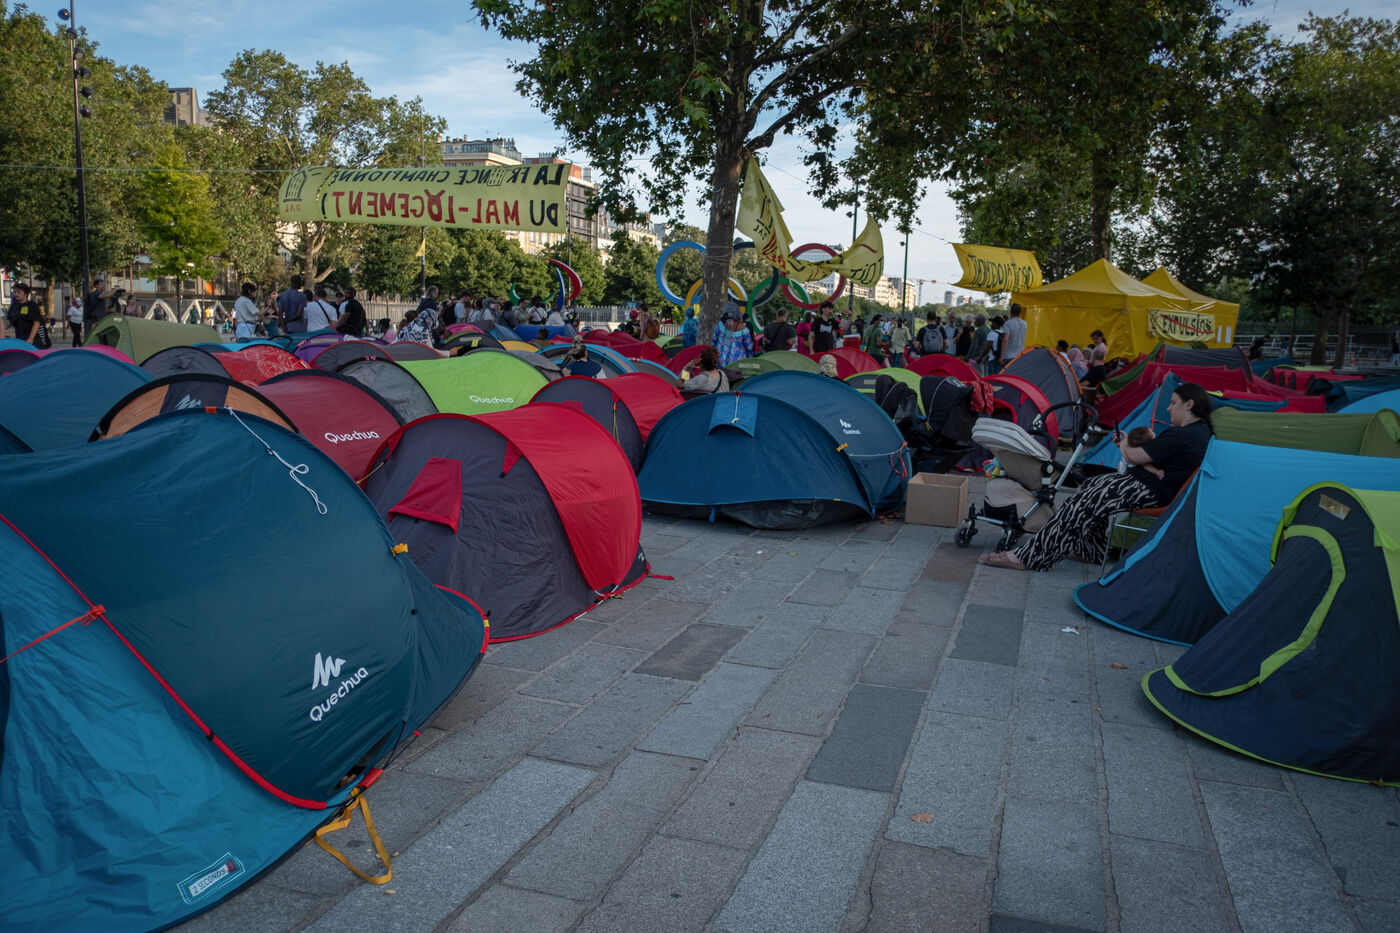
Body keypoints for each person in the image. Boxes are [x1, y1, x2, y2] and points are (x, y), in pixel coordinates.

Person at [981, 382, 1215, 572]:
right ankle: (1090, 551)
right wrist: (1127, 447)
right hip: (1149, 486)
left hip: (1149, 489)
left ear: (1189, 404)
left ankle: (1029, 557)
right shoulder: (1199, 433)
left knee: (1081, 503)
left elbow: (1135, 456)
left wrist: (1125, 443)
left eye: (1173, 403)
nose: (1169, 408)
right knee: (1089, 486)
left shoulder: (1183, 435)